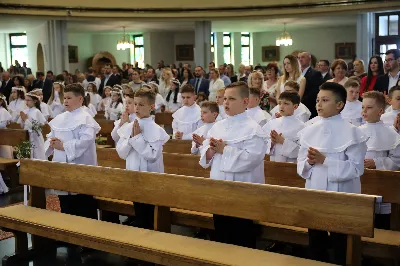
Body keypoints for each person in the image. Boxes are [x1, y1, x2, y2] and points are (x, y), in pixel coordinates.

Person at [297, 82, 368, 265]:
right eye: (318, 100)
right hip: (314, 193)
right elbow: (300, 165)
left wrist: (325, 161)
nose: (319, 104)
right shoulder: (308, 130)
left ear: (339, 105)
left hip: (342, 197)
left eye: (325, 100)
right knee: (316, 243)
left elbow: (355, 169)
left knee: (341, 245)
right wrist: (308, 163)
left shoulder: (353, 133)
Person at [199, 81, 268, 249]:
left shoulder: (254, 129)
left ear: (245, 102)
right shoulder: (218, 126)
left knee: (241, 236)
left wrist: (225, 150)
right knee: (221, 233)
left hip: (242, 192)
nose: (226, 103)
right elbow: (206, 154)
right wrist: (210, 151)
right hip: (219, 188)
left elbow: (252, 159)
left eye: (231, 99)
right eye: (224, 99)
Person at [116, 88, 169, 229]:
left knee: (149, 214)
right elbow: (121, 153)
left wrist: (137, 138)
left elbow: (152, 156)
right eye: (136, 104)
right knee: (138, 208)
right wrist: (131, 139)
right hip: (133, 173)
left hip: (150, 177)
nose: (137, 107)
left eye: (141, 104)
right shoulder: (129, 127)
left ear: (152, 107)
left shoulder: (157, 130)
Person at [45, 83, 100, 220]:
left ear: (80, 99)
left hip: (80, 165)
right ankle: (68, 234)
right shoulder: (60, 118)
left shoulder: (86, 118)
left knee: (82, 204)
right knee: (65, 203)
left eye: (69, 98)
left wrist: (64, 146)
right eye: (65, 98)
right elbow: (50, 136)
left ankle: (85, 236)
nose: (65, 101)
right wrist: (51, 144)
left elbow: (85, 141)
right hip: (61, 165)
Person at [359, 91, 400, 230]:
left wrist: (376, 162)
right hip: (360, 184)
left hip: (382, 184)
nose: (364, 111)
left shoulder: (391, 134)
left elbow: (396, 162)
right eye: (363, 107)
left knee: (380, 224)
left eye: (369, 108)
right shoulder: (356, 132)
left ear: (381, 111)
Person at [263, 91, 305, 162]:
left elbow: (302, 151)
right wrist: (272, 142)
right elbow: (262, 143)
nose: (281, 106)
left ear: (295, 106)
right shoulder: (272, 123)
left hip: (290, 167)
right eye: (280, 103)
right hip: (272, 164)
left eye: (286, 103)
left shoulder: (301, 126)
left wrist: (282, 141)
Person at [18, 92, 47, 160]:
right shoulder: (25, 111)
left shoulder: (37, 112)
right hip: (27, 137)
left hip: (35, 138)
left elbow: (36, 127)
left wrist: (25, 119)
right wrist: (22, 120)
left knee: (37, 156)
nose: (26, 102)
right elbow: (22, 126)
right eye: (26, 100)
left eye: (28, 100)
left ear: (35, 101)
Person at [298, 52, 323, 118]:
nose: (300, 59)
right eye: (299, 58)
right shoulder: (296, 73)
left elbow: (314, 92)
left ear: (309, 60)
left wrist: (299, 101)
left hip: (308, 106)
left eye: (303, 57)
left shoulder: (315, 73)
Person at [0, 93, 12, 194]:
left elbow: (3, 124)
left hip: (3, 137)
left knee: (5, 156)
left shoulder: (3, 111)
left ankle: (7, 177)